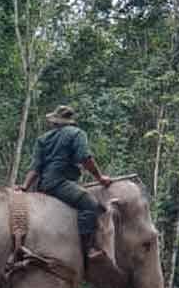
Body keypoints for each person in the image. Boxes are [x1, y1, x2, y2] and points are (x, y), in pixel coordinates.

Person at [19, 105, 114, 267]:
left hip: (41, 186)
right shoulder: (77, 134)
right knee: (90, 205)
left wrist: (25, 186)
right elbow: (85, 158)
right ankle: (86, 250)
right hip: (59, 184)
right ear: (70, 122)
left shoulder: (43, 139)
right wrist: (100, 178)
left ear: (55, 122)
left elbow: (35, 167)